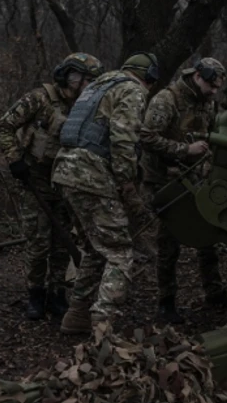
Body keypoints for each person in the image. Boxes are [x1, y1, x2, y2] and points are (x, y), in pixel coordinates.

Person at [51, 52, 159, 334]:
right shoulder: (132, 90)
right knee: (119, 252)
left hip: (65, 171)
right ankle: (102, 324)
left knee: (94, 249)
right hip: (92, 175)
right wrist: (127, 185)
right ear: (147, 78)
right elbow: (123, 139)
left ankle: (76, 315)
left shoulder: (97, 87)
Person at [0, 52, 104, 320]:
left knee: (61, 242)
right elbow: (4, 127)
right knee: (38, 242)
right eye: (80, 77)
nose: (84, 84)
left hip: (66, 182)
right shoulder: (40, 99)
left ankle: (57, 295)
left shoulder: (87, 108)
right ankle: (36, 294)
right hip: (35, 178)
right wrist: (14, 160)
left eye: (90, 80)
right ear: (67, 75)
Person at [140, 57, 227, 323]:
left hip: (195, 179)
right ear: (198, 76)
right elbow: (146, 137)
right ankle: (166, 302)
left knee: (209, 237)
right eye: (211, 85)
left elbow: (211, 134)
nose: (214, 91)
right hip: (165, 181)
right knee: (168, 244)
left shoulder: (207, 103)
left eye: (218, 87)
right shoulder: (167, 100)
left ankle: (213, 291)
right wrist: (184, 150)